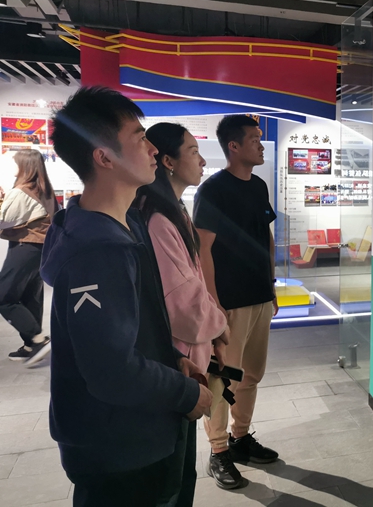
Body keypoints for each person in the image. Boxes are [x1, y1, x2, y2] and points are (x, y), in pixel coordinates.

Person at [40, 86, 213, 507]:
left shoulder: (123, 224)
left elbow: (131, 332)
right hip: (120, 448)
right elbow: (110, 370)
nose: (153, 149)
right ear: (104, 157)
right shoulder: (97, 249)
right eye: (139, 138)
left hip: (142, 431)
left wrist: (172, 361)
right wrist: (187, 394)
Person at [136, 122, 230, 506]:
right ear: (168, 161)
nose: (203, 160)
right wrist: (219, 324)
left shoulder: (173, 211)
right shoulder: (158, 219)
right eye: (193, 151)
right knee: (171, 482)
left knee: (181, 473)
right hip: (174, 365)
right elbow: (183, 305)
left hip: (185, 362)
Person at [193, 115, 280, 490]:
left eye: (260, 138)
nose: (260, 145)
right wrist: (213, 304)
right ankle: (218, 451)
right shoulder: (213, 190)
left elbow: (266, 237)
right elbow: (203, 250)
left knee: (251, 375)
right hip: (229, 301)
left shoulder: (258, 186)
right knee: (222, 379)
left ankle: (241, 437)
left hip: (259, 296)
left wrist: (271, 286)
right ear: (233, 146)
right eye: (254, 139)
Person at [0, 149, 58, 365]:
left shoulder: (21, 192)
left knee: (3, 296)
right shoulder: (45, 191)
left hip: (25, 247)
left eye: (14, 162)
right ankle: (30, 345)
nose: (11, 166)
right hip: (42, 249)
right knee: (30, 295)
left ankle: (37, 339)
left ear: (25, 166)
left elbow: (4, 220)